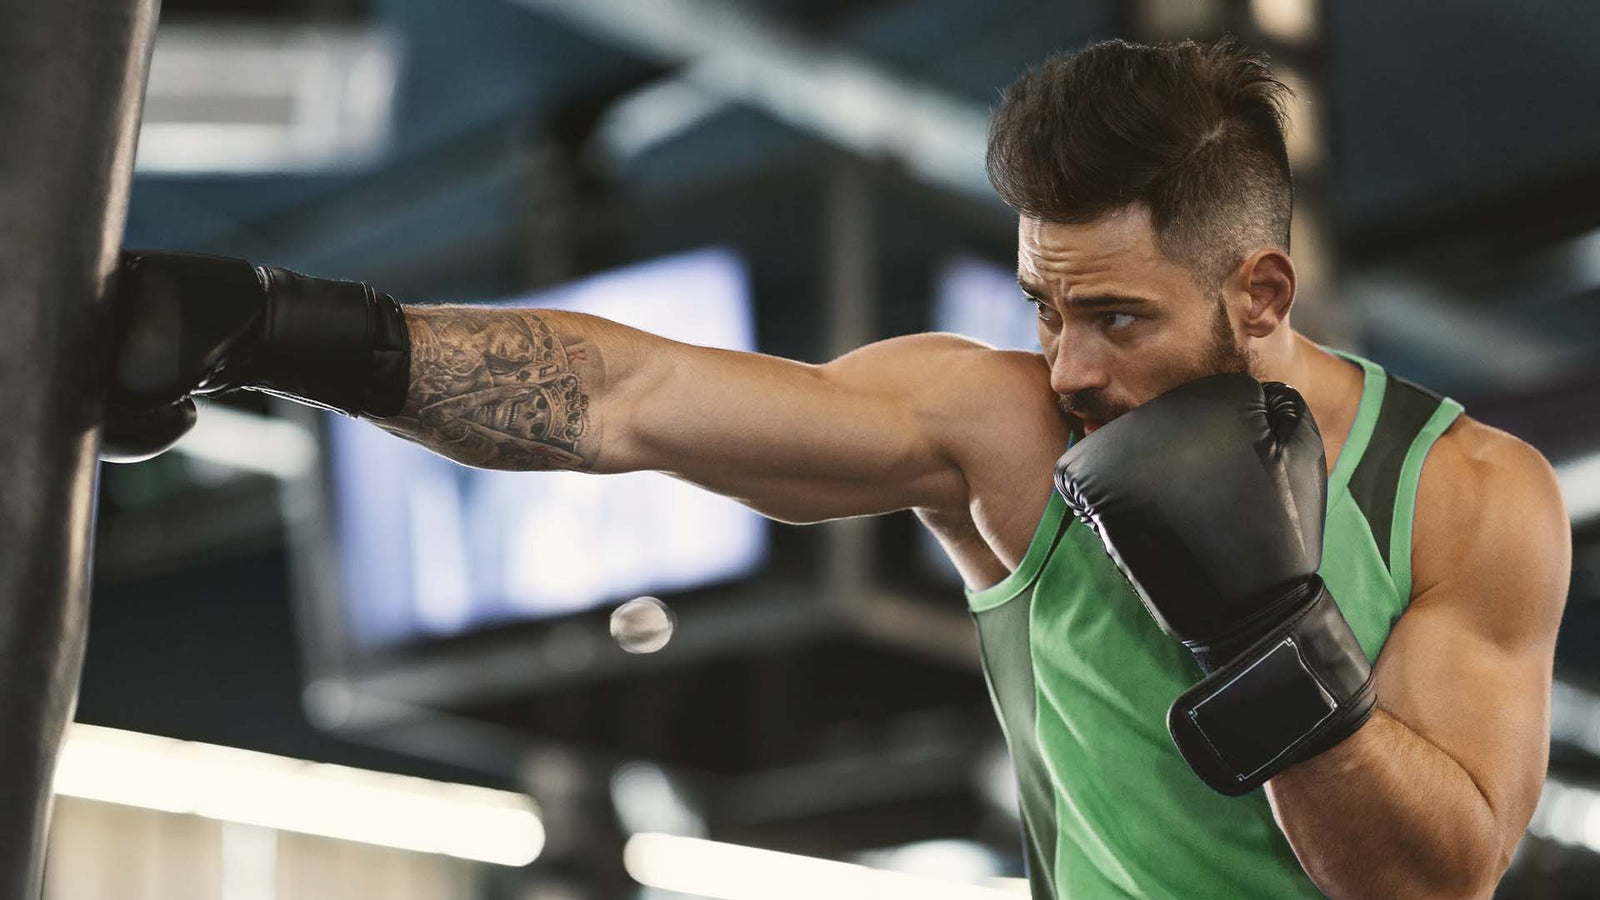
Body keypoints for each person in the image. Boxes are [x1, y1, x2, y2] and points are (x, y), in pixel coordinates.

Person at [101, 37, 1570, 900]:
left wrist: (1260, 631)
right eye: (1045, 308)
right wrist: (285, 333)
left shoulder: (1468, 494)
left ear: (1257, 292)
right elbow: (637, 398)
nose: (1068, 368)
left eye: (1116, 316)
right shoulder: (1007, 435)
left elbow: (1430, 881)